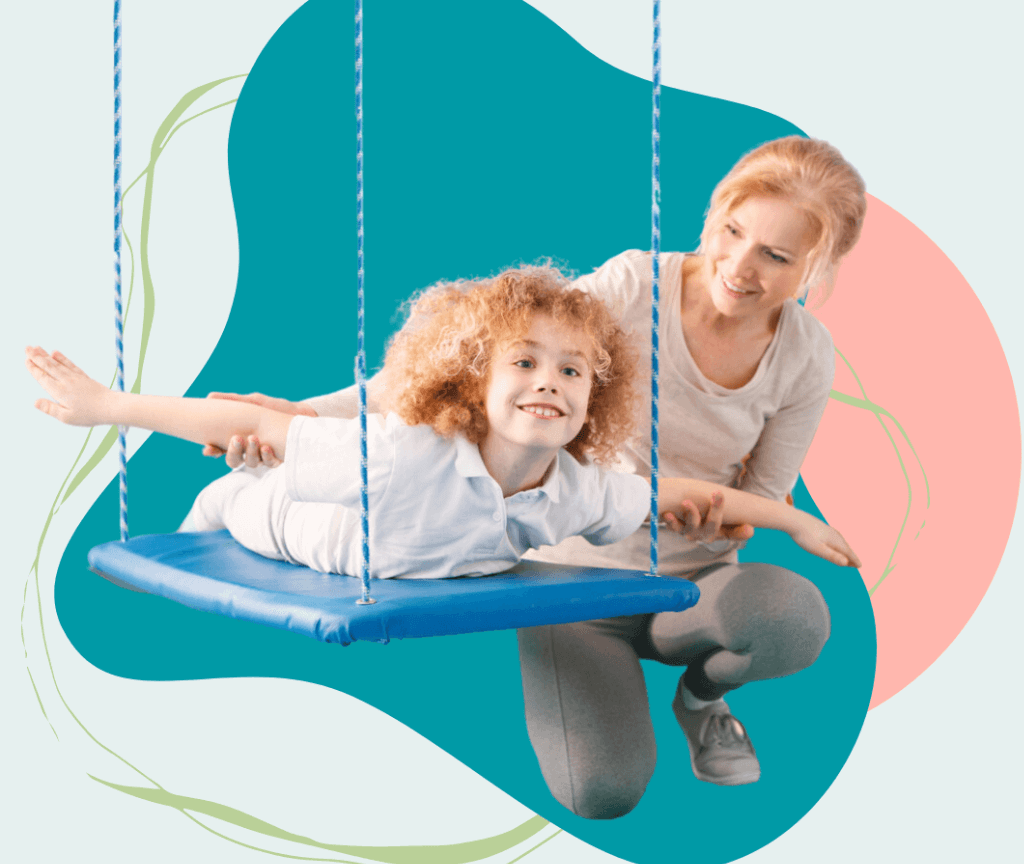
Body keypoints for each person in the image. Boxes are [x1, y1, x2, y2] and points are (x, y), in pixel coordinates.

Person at [196, 136, 868, 816]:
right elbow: (481, 362)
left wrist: (732, 514)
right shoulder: (636, 286)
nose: (739, 265)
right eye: (732, 232)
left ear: (818, 266)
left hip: (694, 586)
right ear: (716, 214)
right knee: (602, 791)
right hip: (571, 581)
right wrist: (302, 414)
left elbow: (763, 496)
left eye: (775, 257)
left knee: (792, 618)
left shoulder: (806, 357)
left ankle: (701, 699)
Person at [26, 266, 859, 582]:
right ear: (475, 383)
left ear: (594, 398)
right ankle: (223, 499)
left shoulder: (574, 492)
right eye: (524, 364)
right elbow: (257, 424)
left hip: (403, 544)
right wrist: (107, 407)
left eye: (571, 372)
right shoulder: (405, 452)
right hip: (299, 529)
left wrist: (791, 520)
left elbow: (670, 491)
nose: (550, 384)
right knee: (252, 489)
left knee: (277, 462)